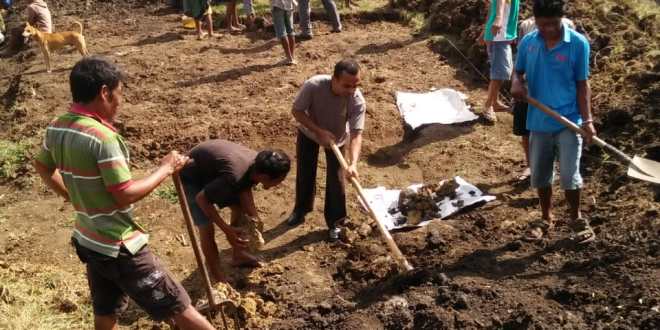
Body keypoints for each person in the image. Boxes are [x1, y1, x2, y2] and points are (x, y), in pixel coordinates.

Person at [33, 57, 214, 330]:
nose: (121, 101)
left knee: (105, 313)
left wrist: (72, 195)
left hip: (89, 240)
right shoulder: (103, 139)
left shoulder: (58, 125)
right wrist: (165, 169)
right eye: (119, 93)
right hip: (120, 248)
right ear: (105, 92)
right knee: (180, 308)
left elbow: (42, 165)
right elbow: (124, 194)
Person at [511, 0, 596, 244]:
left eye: (553, 24)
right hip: (538, 121)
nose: (548, 29)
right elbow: (519, 71)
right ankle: (546, 218)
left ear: (562, 18)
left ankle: (575, 218)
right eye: (542, 24)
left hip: (569, 119)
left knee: (570, 175)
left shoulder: (578, 44)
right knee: (540, 174)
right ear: (535, 21)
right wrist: (517, 82)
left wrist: (587, 119)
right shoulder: (528, 42)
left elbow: (582, 84)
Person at [180, 140, 291, 283]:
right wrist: (227, 230)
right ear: (264, 177)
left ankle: (239, 256)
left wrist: (254, 219)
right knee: (206, 227)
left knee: (239, 209)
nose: (280, 182)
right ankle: (218, 277)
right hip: (192, 174)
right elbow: (202, 199)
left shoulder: (258, 165)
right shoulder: (236, 175)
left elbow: (245, 188)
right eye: (280, 180)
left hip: (216, 169)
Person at [284, 59, 366, 242]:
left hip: (337, 138)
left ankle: (336, 222)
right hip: (309, 133)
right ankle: (301, 209)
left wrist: (353, 164)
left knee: (337, 180)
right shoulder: (313, 86)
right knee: (305, 172)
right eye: (346, 85)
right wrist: (319, 131)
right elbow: (297, 111)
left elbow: (356, 134)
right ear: (333, 79)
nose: (352, 90)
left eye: (356, 85)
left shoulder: (357, 100)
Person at [512, 16, 576, 181]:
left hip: (554, 91)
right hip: (528, 89)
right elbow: (520, 56)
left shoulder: (567, 25)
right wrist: (518, 82)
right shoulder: (526, 25)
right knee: (525, 130)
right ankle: (531, 166)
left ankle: (551, 167)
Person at [481, 0, 520, 123]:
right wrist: (498, 18)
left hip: (502, 35)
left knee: (501, 71)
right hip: (498, 35)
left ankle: (495, 102)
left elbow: (491, 8)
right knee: (500, 72)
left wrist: (483, 32)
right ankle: (488, 106)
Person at [271, 0, 296, 65]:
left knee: (282, 32)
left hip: (277, 5)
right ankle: (291, 57)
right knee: (290, 31)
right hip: (289, 4)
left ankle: (289, 58)